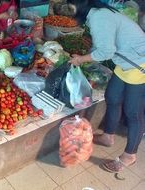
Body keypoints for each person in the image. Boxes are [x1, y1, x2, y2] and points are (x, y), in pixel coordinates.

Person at [67, 0, 145, 173]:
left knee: (133, 113)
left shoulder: (99, 17)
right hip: (125, 62)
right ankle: (108, 136)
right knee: (113, 97)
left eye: (70, 6)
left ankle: (129, 155)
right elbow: (103, 44)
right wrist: (87, 54)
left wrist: (81, 59)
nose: (69, 10)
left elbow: (106, 52)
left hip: (139, 64)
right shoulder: (96, 14)